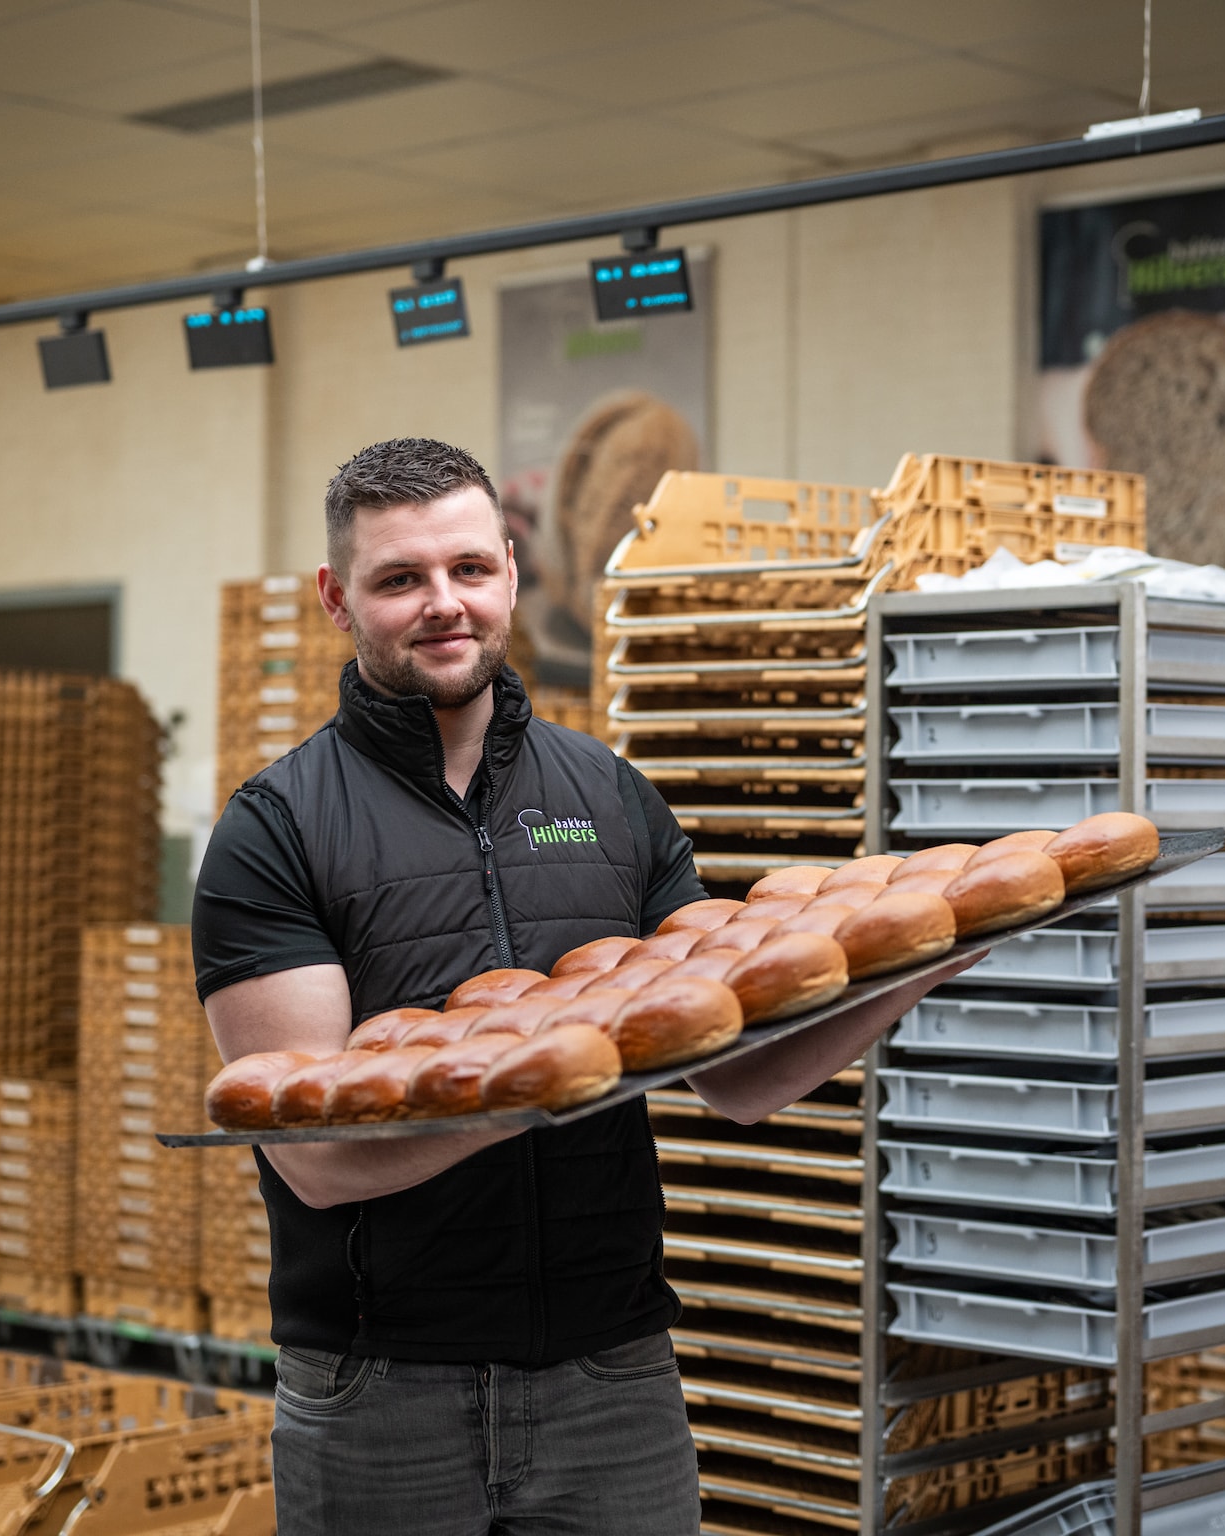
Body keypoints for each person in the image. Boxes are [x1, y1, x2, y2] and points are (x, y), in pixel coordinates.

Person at [192, 437, 966, 1536]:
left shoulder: (610, 798)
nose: (442, 605)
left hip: (612, 1379)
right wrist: (548, 1087)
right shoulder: (274, 830)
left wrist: (924, 958)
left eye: (466, 569)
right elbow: (316, 1156)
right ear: (337, 597)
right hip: (380, 1392)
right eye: (399, 579)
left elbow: (736, 1082)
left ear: (510, 570)